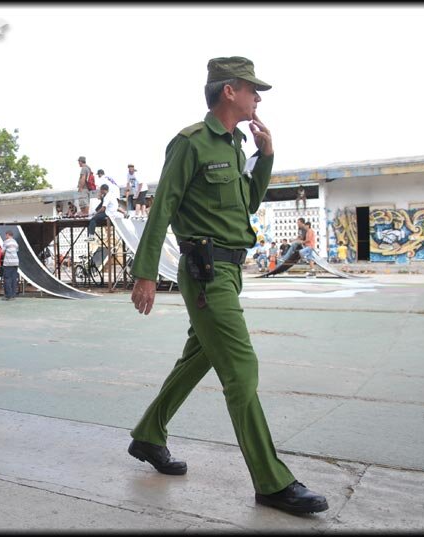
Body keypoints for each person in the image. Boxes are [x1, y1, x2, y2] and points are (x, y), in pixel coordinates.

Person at [127, 57, 328, 515]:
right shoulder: (191, 144)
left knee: (198, 359)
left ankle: (147, 435)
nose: (258, 97)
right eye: (252, 88)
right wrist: (145, 273)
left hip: (229, 273)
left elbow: (248, 204)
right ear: (228, 91)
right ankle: (272, 482)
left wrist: (267, 155)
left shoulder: (237, 146)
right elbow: (163, 208)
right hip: (206, 273)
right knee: (241, 371)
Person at [1, 230, 19, 300]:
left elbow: (2, 252)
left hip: (8, 263)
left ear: (8, 235)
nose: (5, 236)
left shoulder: (6, 242)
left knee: (7, 279)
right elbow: (16, 250)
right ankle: (13, 294)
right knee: (14, 279)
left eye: (6, 235)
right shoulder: (15, 242)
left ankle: (8, 295)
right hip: (15, 262)